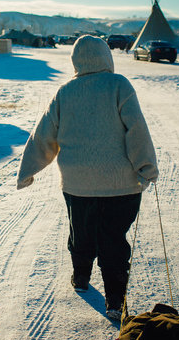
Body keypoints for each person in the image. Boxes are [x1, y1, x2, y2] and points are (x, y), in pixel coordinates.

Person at [17, 35, 159, 320]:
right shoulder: (119, 85)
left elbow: (44, 135)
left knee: (81, 232)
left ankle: (81, 277)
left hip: (77, 185)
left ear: (76, 61)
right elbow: (137, 130)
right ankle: (115, 300)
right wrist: (146, 167)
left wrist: (27, 170)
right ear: (107, 57)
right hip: (121, 186)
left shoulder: (65, 92)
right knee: (113, 239)